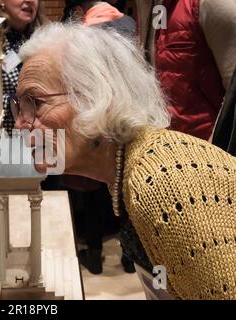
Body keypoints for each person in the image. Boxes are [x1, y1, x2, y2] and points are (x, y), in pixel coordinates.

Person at [12, 23, 236, 299]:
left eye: (35, 103)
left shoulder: (160, 179)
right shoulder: (128, 171)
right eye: (18, 107)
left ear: (95, 95)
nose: (20, 126)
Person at [60, 0, 136, 275]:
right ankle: (130, 258)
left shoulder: (82, 33)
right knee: (122, 191)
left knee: (93, 192)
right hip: (124, 120)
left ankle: (94, 255)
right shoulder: (127, 25)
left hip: (93, 120)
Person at [135, 0, 236, 141]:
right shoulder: (155, 7)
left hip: (208, 153)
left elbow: (233, 96)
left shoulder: (213, 4)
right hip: (167, 150)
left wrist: (213, 152)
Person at [1, 0, 46, 137]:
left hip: (42, 135)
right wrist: (15, 103)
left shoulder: (45, 38)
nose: (31, 1)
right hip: (4, 138)